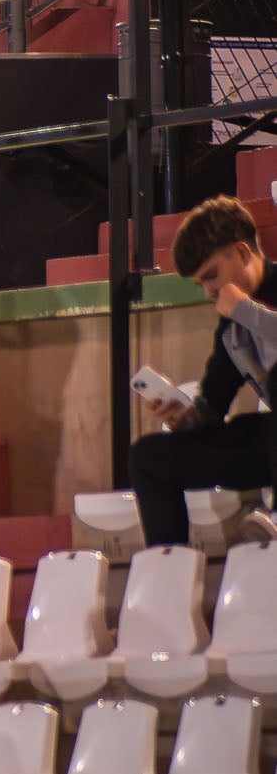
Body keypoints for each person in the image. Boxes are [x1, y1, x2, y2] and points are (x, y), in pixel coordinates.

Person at [130, 194, 277, 546]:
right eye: (202, 284)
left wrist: (245, 311)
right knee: (149, 458)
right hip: (271, 445)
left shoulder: (241, 312)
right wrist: (185, 418)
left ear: (242, 253)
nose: (210, 291)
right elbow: (214, 404)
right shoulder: (231, 328)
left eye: (212, 276)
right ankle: (169, 572)